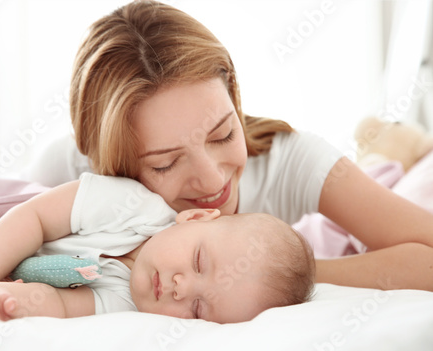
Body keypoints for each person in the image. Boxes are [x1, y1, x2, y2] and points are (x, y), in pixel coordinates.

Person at [22, 0, 433, 291]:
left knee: (391, 163)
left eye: (222, 135)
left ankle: (387, 146)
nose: (212, 179)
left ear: (235, 100)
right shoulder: (67, 174)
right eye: (165, 164)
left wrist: (272, 275)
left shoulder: (291, 160)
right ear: (108, 162)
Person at [0, 173, 315, 323]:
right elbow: (34, 217)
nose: (180, 287)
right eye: (198, 261)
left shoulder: (129, 308)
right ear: (196, 218)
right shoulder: (134, 205)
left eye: (198, 308)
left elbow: (60, 304)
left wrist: (10, 303)